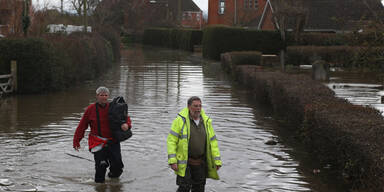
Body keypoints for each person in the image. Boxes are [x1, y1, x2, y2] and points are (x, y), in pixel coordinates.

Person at [73, 86, 132, 183]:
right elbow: (82, 126)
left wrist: (127, 125)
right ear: (97, 96)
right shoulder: (90, 109)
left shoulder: (114, 107)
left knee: (118, 167)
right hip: (97, 142)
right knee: (101, 167)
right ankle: (100, 187)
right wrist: (76, 141)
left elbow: (126, 118)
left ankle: (113, 181)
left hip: (113, 141)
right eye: (101, 95)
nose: (104, 97)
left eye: (106, 95)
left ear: (108, 96)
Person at [167, 96, 222, 192]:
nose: (198, 109)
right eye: (195, 106)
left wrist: (217, 161)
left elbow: (213, 143)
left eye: (200, 106)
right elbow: (171, 141)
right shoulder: (179, 121)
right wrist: (172, 161)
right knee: (184, 187)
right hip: (185, 163)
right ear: (188, 107)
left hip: (200, 163)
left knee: (199, 188)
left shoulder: (206, 122)